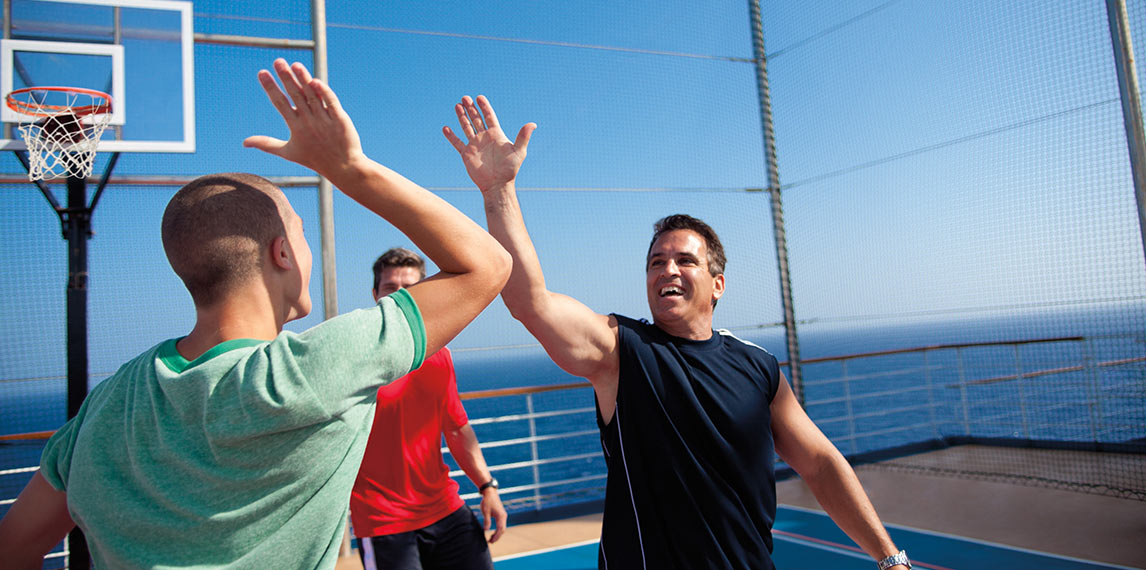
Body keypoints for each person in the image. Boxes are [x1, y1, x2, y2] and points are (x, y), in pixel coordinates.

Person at [0, 59, 511, 570]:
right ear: (282, 253)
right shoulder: (314, 371)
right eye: (302, 236)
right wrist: (348, 167)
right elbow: (486, 266)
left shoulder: (107, 404)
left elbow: (14, 547)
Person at [440, 95, 912, 570]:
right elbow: (530, 302)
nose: (667, 269)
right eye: (656, 262)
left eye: (685, 260)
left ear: (718, 284)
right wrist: (499, 191)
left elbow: (821, 464)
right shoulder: (621, 351)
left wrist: (890, 559)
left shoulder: (758, 367)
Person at [350, 247, 506, 570]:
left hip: (443, 508)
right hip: (383, 522)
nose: (399, 298)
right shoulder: (354, 359)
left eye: (410, 290)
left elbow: (457, 427)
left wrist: (488, 486)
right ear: (375, 294)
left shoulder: (439, 355)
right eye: (390, 288)